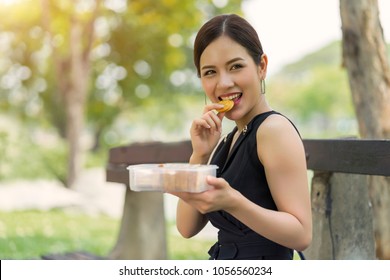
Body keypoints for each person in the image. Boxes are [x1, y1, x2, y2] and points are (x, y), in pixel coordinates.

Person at [171, 14, 312, 260]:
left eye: (236, 66)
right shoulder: (230, 139)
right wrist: (200, 155)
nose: (224, 83)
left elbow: (301, 234)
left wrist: (233, 201)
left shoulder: (274, 130)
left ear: (262, 66)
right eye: (210, 72)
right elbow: (186, 227)